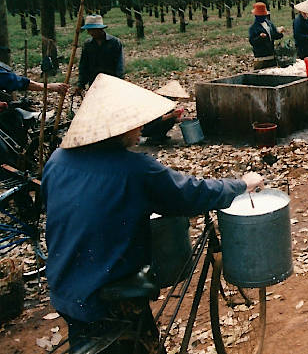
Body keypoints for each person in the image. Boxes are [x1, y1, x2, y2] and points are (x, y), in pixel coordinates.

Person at [42, 74, 264, 353]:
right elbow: (190, 194)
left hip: (64, 286)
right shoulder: (134, 169)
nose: (140, 128)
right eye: (134, 122)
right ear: (117, 128)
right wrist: (241, 184)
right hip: (108, 294)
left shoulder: (57, 160)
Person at [74, 15, 124, 96]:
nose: (91, 33)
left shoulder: (114, 42)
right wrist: (81, 84)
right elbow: (84, 66)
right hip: (94, 83)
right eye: (89, 30)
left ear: (100, 29)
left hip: (111, 82)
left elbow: (119, 65)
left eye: (93, 30)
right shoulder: (87, 45)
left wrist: (119, 81)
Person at [248, 2, 285, 68]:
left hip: (271, 56)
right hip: (261, 58)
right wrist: (260, 37)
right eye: (259, 15)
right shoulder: (253, 28)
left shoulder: (269, 24)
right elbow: (252, 42)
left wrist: (280, 33)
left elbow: (274, 36)